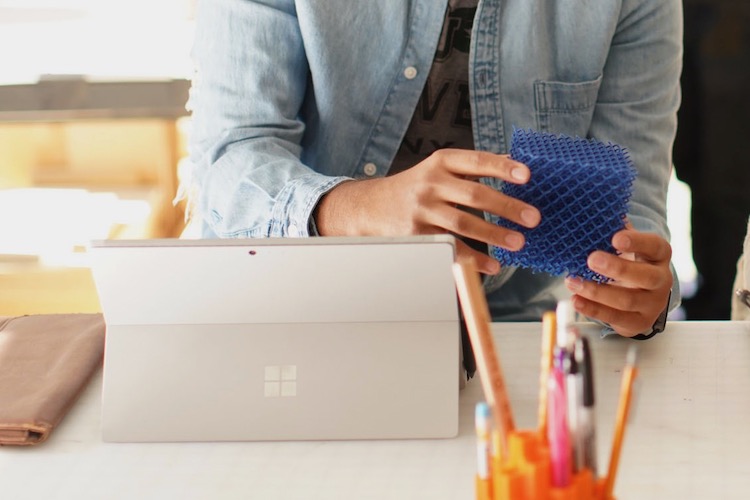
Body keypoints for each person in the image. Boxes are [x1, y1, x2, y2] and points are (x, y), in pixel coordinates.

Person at [185, 0, 681, 339]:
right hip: (282, 314)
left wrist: (641, 291)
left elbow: (636, 207)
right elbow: (230, 157)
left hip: (504, 329)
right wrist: (358, 208)